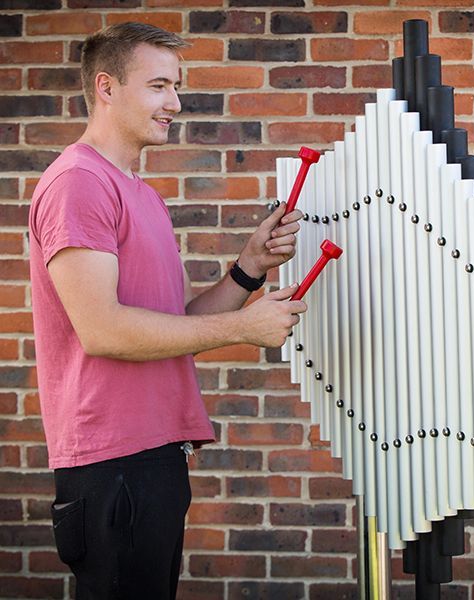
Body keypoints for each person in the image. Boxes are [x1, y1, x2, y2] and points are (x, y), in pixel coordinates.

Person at [28, 22, 307, 600]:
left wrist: (248, 267)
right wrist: (244, 328)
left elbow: (177, 318)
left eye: (175, 87)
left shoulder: (141, 192)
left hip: (153, 455)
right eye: (158, 86)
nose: (174, 103)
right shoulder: (79, 183)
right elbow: (103, 330)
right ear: (106, 87)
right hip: (111, 464)